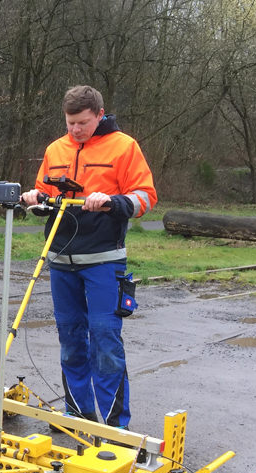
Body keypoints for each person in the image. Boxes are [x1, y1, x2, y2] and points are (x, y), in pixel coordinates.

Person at [19, 85, 157, 429]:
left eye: (82, 122)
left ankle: (113, 426)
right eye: (70, 123)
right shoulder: (56, 149)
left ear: (99, 114)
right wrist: (35, 198)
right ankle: (77, 413)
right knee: (70, 339)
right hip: (61, 261)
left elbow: (145, 196)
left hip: (103, 261)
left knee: (105, 340)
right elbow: (47, 195)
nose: (75, 130)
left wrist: (112, 201)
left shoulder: (124, 147)